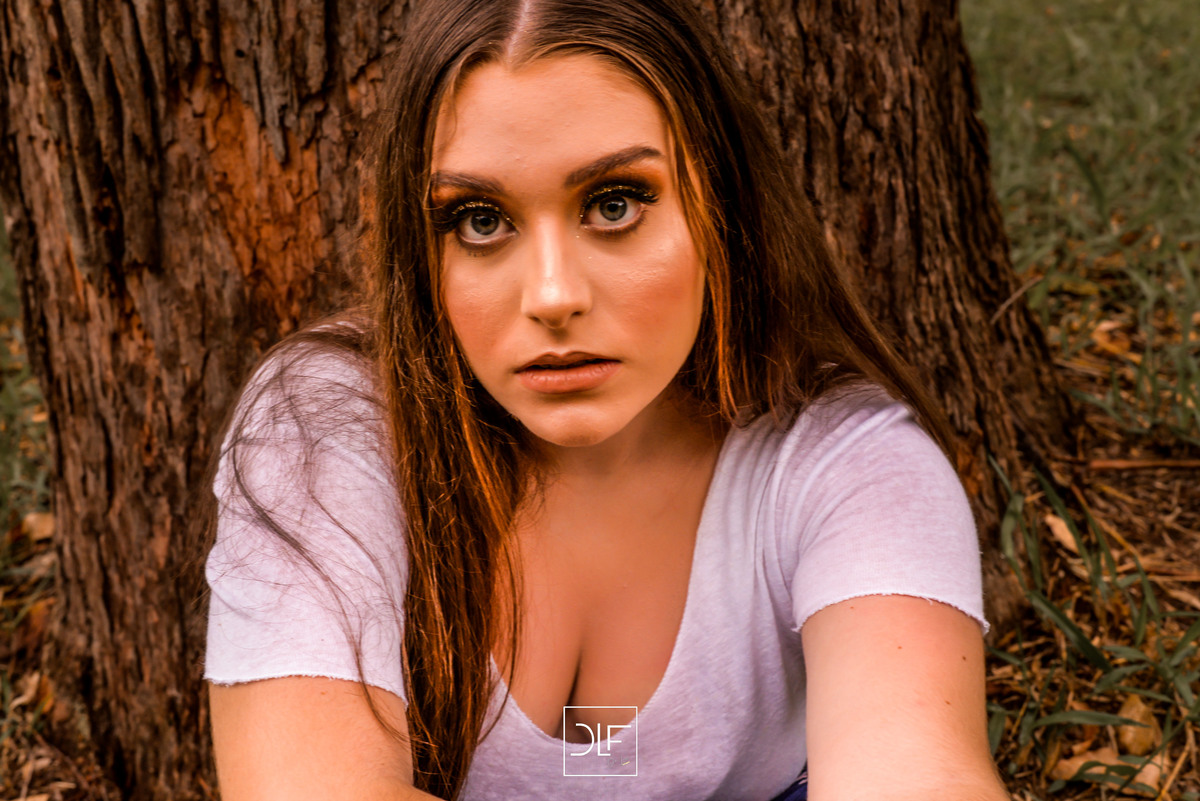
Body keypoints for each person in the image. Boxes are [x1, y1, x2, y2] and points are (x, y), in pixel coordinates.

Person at [202, 1, 1011, 800]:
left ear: (721, 210)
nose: (554, 295)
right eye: (480, 220)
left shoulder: (847, 462)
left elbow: (920, 776)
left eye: (615, 203)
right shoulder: (326, 428)